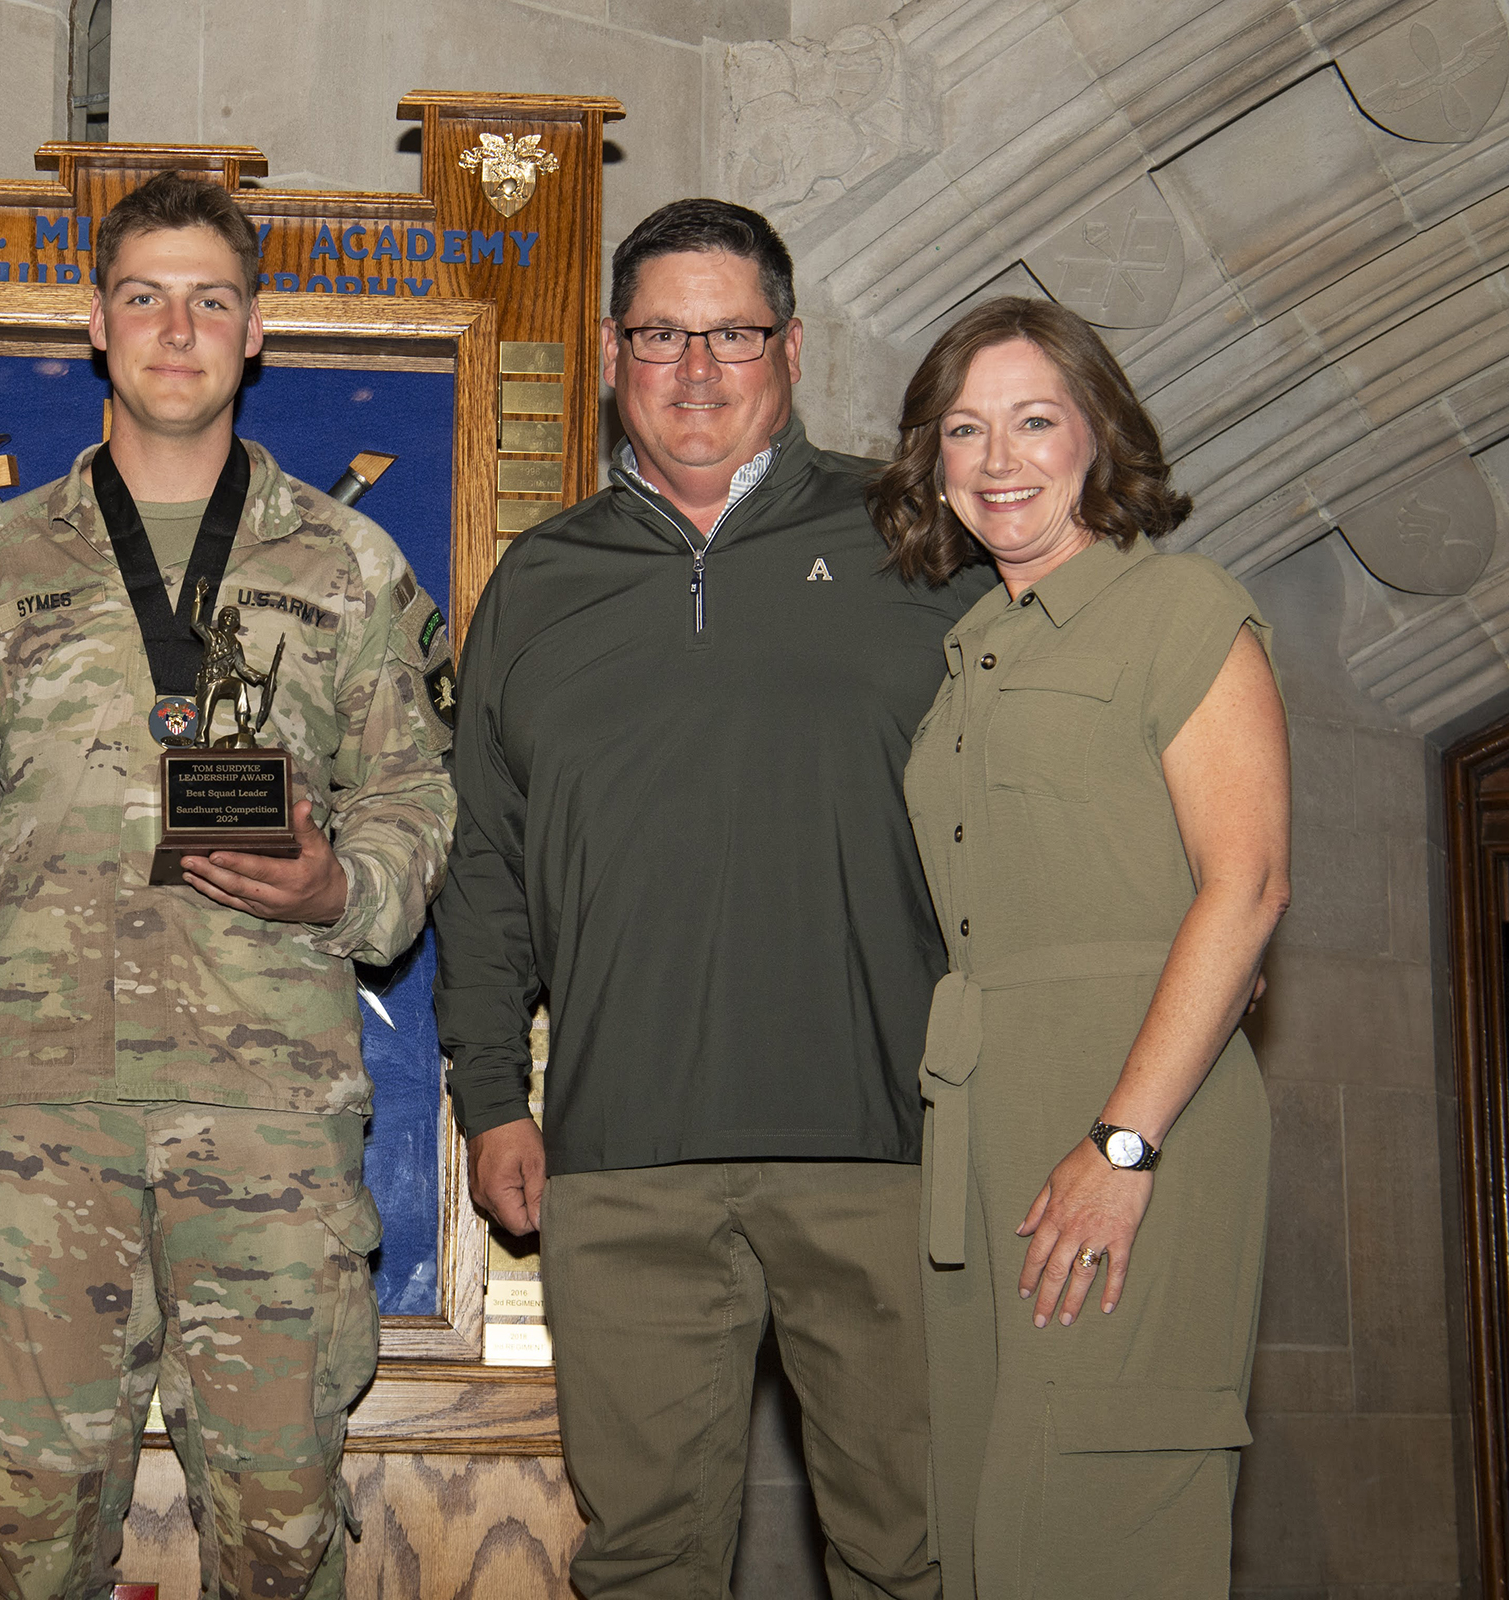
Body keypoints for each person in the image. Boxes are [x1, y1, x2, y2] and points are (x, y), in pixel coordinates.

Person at [0, 172, 456, 1599]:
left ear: (256, 332)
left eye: (210, 299)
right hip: (36, 1121)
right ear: (96, 325)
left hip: (270, 1124)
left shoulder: (351, 565)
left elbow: (417, 801)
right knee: (29, 1522)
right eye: (145, 297)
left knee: (279, 1525)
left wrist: (341, 893)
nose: (176, 329)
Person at [435, 197, 993, 1600]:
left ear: (791, 347)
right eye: (660, 334)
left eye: (732, 332)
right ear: (612, 354)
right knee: (642, 1565)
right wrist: (495, 1096)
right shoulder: (538, 585)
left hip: (890, 1149)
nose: (697, 367)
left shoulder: (922, 548)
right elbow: (486, 865)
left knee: (915, 1549)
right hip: (623, 1166)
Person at [871, 297, 1288, 1596]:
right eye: (964, 431)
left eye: (1035, 421)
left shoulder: (1179, 607)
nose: (999, 460)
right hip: (979, 1133)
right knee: (989, 1523)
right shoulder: (967, 651)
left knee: (1107, 1513)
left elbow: (1250, 885)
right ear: (932, 465)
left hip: (1132, 1122)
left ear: (1100, 437)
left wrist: (1123, 1144)